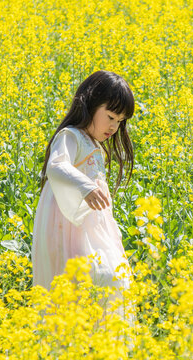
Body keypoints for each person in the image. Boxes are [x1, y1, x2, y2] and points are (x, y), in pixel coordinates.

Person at [31, 70, 136, 326]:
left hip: (89, 230)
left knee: (113, 282)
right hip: (67, 228)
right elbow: (56, 166)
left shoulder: (93, 144)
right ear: (90, 104)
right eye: (110, 116)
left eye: (120, 120)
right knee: (88, 286)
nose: (114, 126)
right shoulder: (71, 136)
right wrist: (86, 186)